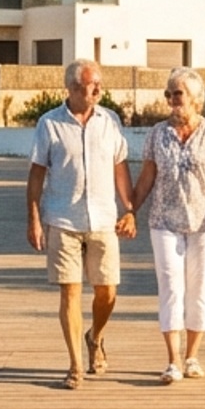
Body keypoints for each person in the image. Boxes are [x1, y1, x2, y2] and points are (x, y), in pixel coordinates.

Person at [26, 58, 136, 389]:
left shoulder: (110, 121)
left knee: (107, 292)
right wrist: (33, 218)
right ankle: (75, 364)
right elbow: (36, 174)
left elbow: (120, 166)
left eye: (99, 83)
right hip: (62, 218)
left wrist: (130, 209)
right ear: (74, 88)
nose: (99, 89)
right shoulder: (49, 124)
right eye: (93, 85)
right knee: (70, 293)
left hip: (103, 218)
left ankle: (95, 336)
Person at [130, 67, 205, 384]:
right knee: (171, 287)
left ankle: (192, 356)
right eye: (169, 93)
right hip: (164, 221)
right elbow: (147, 177)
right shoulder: (157, 134)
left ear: (195, 98)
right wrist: (130, 210)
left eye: (178, 93)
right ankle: (172, 360)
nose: (172, 99)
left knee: (200, 289)